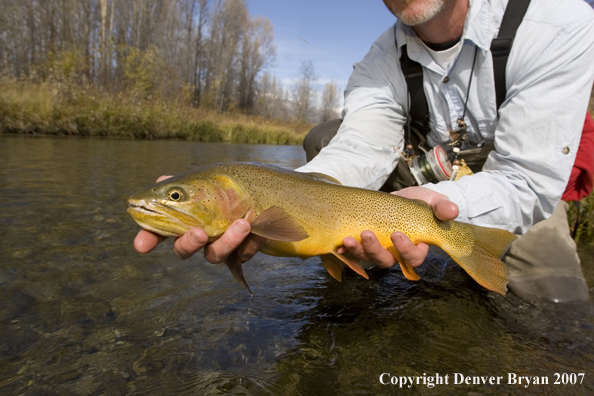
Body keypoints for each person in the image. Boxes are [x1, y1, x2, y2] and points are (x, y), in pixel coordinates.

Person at [134, 0, 594, 303]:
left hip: (511, 185)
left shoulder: (559, 24)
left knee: (555, 302)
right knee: (326, 136)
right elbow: (362, 145)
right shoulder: (380, 60)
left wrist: (446, 213)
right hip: (420, 178)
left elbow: (527, 180)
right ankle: (358, 268)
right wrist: (304, 197)